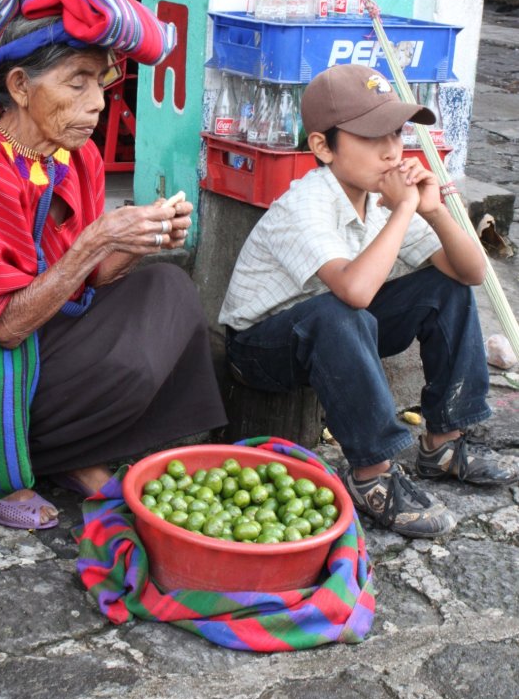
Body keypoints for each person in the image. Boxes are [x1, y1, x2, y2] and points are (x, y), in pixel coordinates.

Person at [0, 0, 226, 530]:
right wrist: (98, 238)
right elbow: (0, 326)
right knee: (114, 357)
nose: (97, 102)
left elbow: (87, 279)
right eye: (77, 82)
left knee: (168, 290)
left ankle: (73, 449)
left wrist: (140, 242)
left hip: (40, 330)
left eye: (101, 81)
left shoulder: (77, 157)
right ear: (20, 86)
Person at [220, 64, 518, 539]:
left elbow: (473, 272)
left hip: (341, 328)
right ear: (322, 147)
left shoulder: (380, 197)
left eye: (396, 133)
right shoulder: (307, 202)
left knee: (445, 288)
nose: (391, 150)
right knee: (339, 310)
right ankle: (371, 477)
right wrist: (403, 207)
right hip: (261, 348)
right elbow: (354, 292)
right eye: (370, 135)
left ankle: (444, 442)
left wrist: (433, 208)